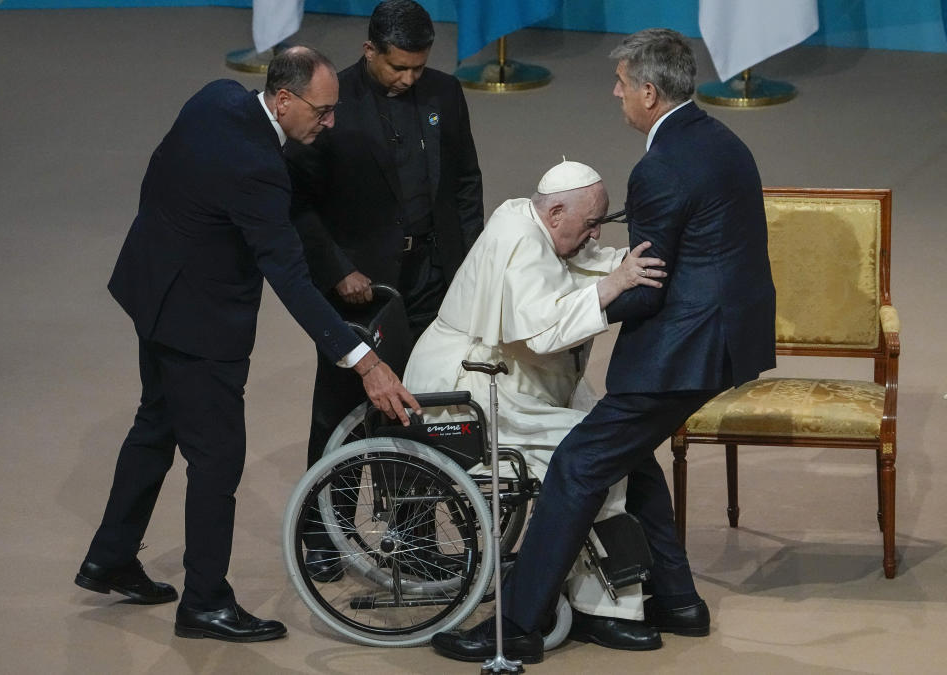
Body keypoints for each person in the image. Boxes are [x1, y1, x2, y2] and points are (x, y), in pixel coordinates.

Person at [431, 28, 777, 664]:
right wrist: (605, 273)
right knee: (633, 460)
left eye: (621, 83)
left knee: (576, 466)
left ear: (649, 91)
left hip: (680, 355)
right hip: (725, 342)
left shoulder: (658, 168)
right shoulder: (722, 140)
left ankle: (518, 627)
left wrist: (579, 294)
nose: (614, 92)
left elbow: (646, 287)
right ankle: (679, 603)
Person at [73, 47, 420, 643]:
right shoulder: (259, 169)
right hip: (201, 327)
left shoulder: (214, 98)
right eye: (323, 111)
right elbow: (289, 274)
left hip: (151, 291)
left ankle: (111, 557)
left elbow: (160, 176)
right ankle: (205, 601)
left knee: (155, 425)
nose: (329, 123)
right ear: (284, 100)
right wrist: (363, 359)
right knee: (217, 460)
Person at [404, 160, 668, 651]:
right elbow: (543, 330)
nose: (594, 235)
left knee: (617, 442)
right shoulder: (519, 239)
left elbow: (573, 267)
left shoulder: (536, 225)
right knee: (599, 456)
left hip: (503, 378)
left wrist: (626, 264)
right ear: (556, 212)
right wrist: (616, 283)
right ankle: (602, 607)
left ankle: (621, 592)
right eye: (589, 224)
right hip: (468, 392)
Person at [285, 0, 484, 489]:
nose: (410, 78)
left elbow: (465, 184)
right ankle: (323, 531)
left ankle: (412, 535)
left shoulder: (445, 92)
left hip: (433, 278)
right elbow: (298, 203)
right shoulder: (331, 102)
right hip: (361, 289)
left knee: (421, 406)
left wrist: (469, 262)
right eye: (399, 66)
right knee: (340, 409)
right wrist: (336, 269)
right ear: (369, 49)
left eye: (418, 66)